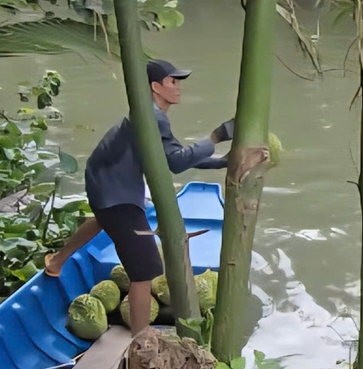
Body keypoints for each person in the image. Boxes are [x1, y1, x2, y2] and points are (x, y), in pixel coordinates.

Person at [46, 59, 228, 333]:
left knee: (103, 218)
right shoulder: (153, 117)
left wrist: (224, 161)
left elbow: (172, 155)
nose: (178, 88)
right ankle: (142, 341)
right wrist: (214, 137)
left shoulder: (150, 114)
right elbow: (177, 163)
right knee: (145, 270)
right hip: (115, 193)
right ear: (156, 87)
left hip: (105, 184)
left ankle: (57, 261)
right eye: (173, 82)